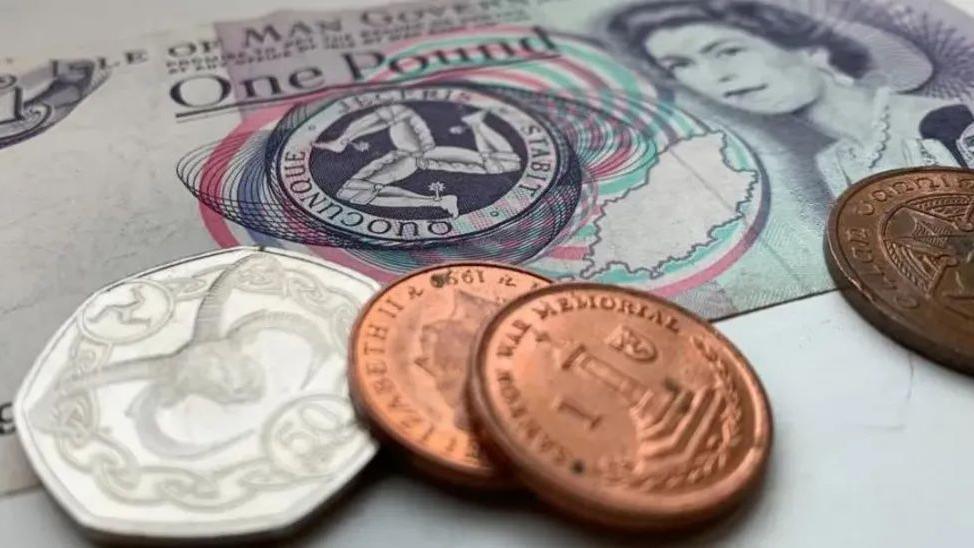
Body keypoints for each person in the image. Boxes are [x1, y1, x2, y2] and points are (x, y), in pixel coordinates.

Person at [606, 0, 974, 195]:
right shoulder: (832, 161)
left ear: (810, 49)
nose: (715, 77)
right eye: (680, 65)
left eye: (728, 51)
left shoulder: (946, 123)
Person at [314, 104, 522, 217]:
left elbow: (505, 162)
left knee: (351, 191)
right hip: (417, 154)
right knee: (352, 191)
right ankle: (439, 201)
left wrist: (477, 127)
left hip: (418, 156)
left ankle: (439, 201)